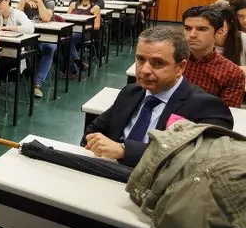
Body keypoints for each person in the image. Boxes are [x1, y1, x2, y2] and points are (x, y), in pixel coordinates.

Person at [82, 26, 233, 168]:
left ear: (180, 67)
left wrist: (124, 151)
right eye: (140, 60)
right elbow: (93, 130)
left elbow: (197, 161)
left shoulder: (207, 107)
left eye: (158, 63)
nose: (145, 70)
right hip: (110, 172)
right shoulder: (131, 93)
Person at [182, 6, 245, 107]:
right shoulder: (173, 59)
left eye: (202, 29)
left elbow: (226, 114)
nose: (192, 34)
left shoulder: (232, 73)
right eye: (188, 28)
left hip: (203, 120)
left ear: (219, 32)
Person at [19, 0, 55, 98]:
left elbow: (45, 18)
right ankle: (25, 74)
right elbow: (16, 16)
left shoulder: (49, 2)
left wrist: (39, 2)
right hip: (28, 36)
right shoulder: (25, 1)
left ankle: (37, 83)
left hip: (46, 37)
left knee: (49, 48)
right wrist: (23, 1)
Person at [66, 0, 102, 75]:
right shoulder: (73, 5)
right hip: (71, 31)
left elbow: (97, 26)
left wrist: (85, 26)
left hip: (85, 34)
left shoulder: (95, 8)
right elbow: (66, 20)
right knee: (65, 39)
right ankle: (77, 62)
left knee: (68, 40)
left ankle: (73, 68)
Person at [212, 4, 246, 73]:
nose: (214, 27)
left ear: (229, 24)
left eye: (219, 22)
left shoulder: (243, 39)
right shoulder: (202, 40)